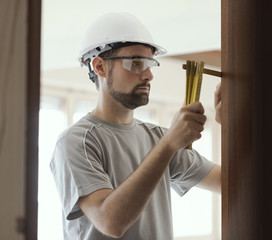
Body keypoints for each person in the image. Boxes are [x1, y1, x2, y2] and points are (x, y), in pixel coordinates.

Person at [50, 12, 221, 240]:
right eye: (136, 63)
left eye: (150, 64)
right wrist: (169, 144)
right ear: (100, 67)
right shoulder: (76, 141)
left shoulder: (158, 137)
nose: (148, 75)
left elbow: (231, 184)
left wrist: (230, 125)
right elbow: (111, 222)